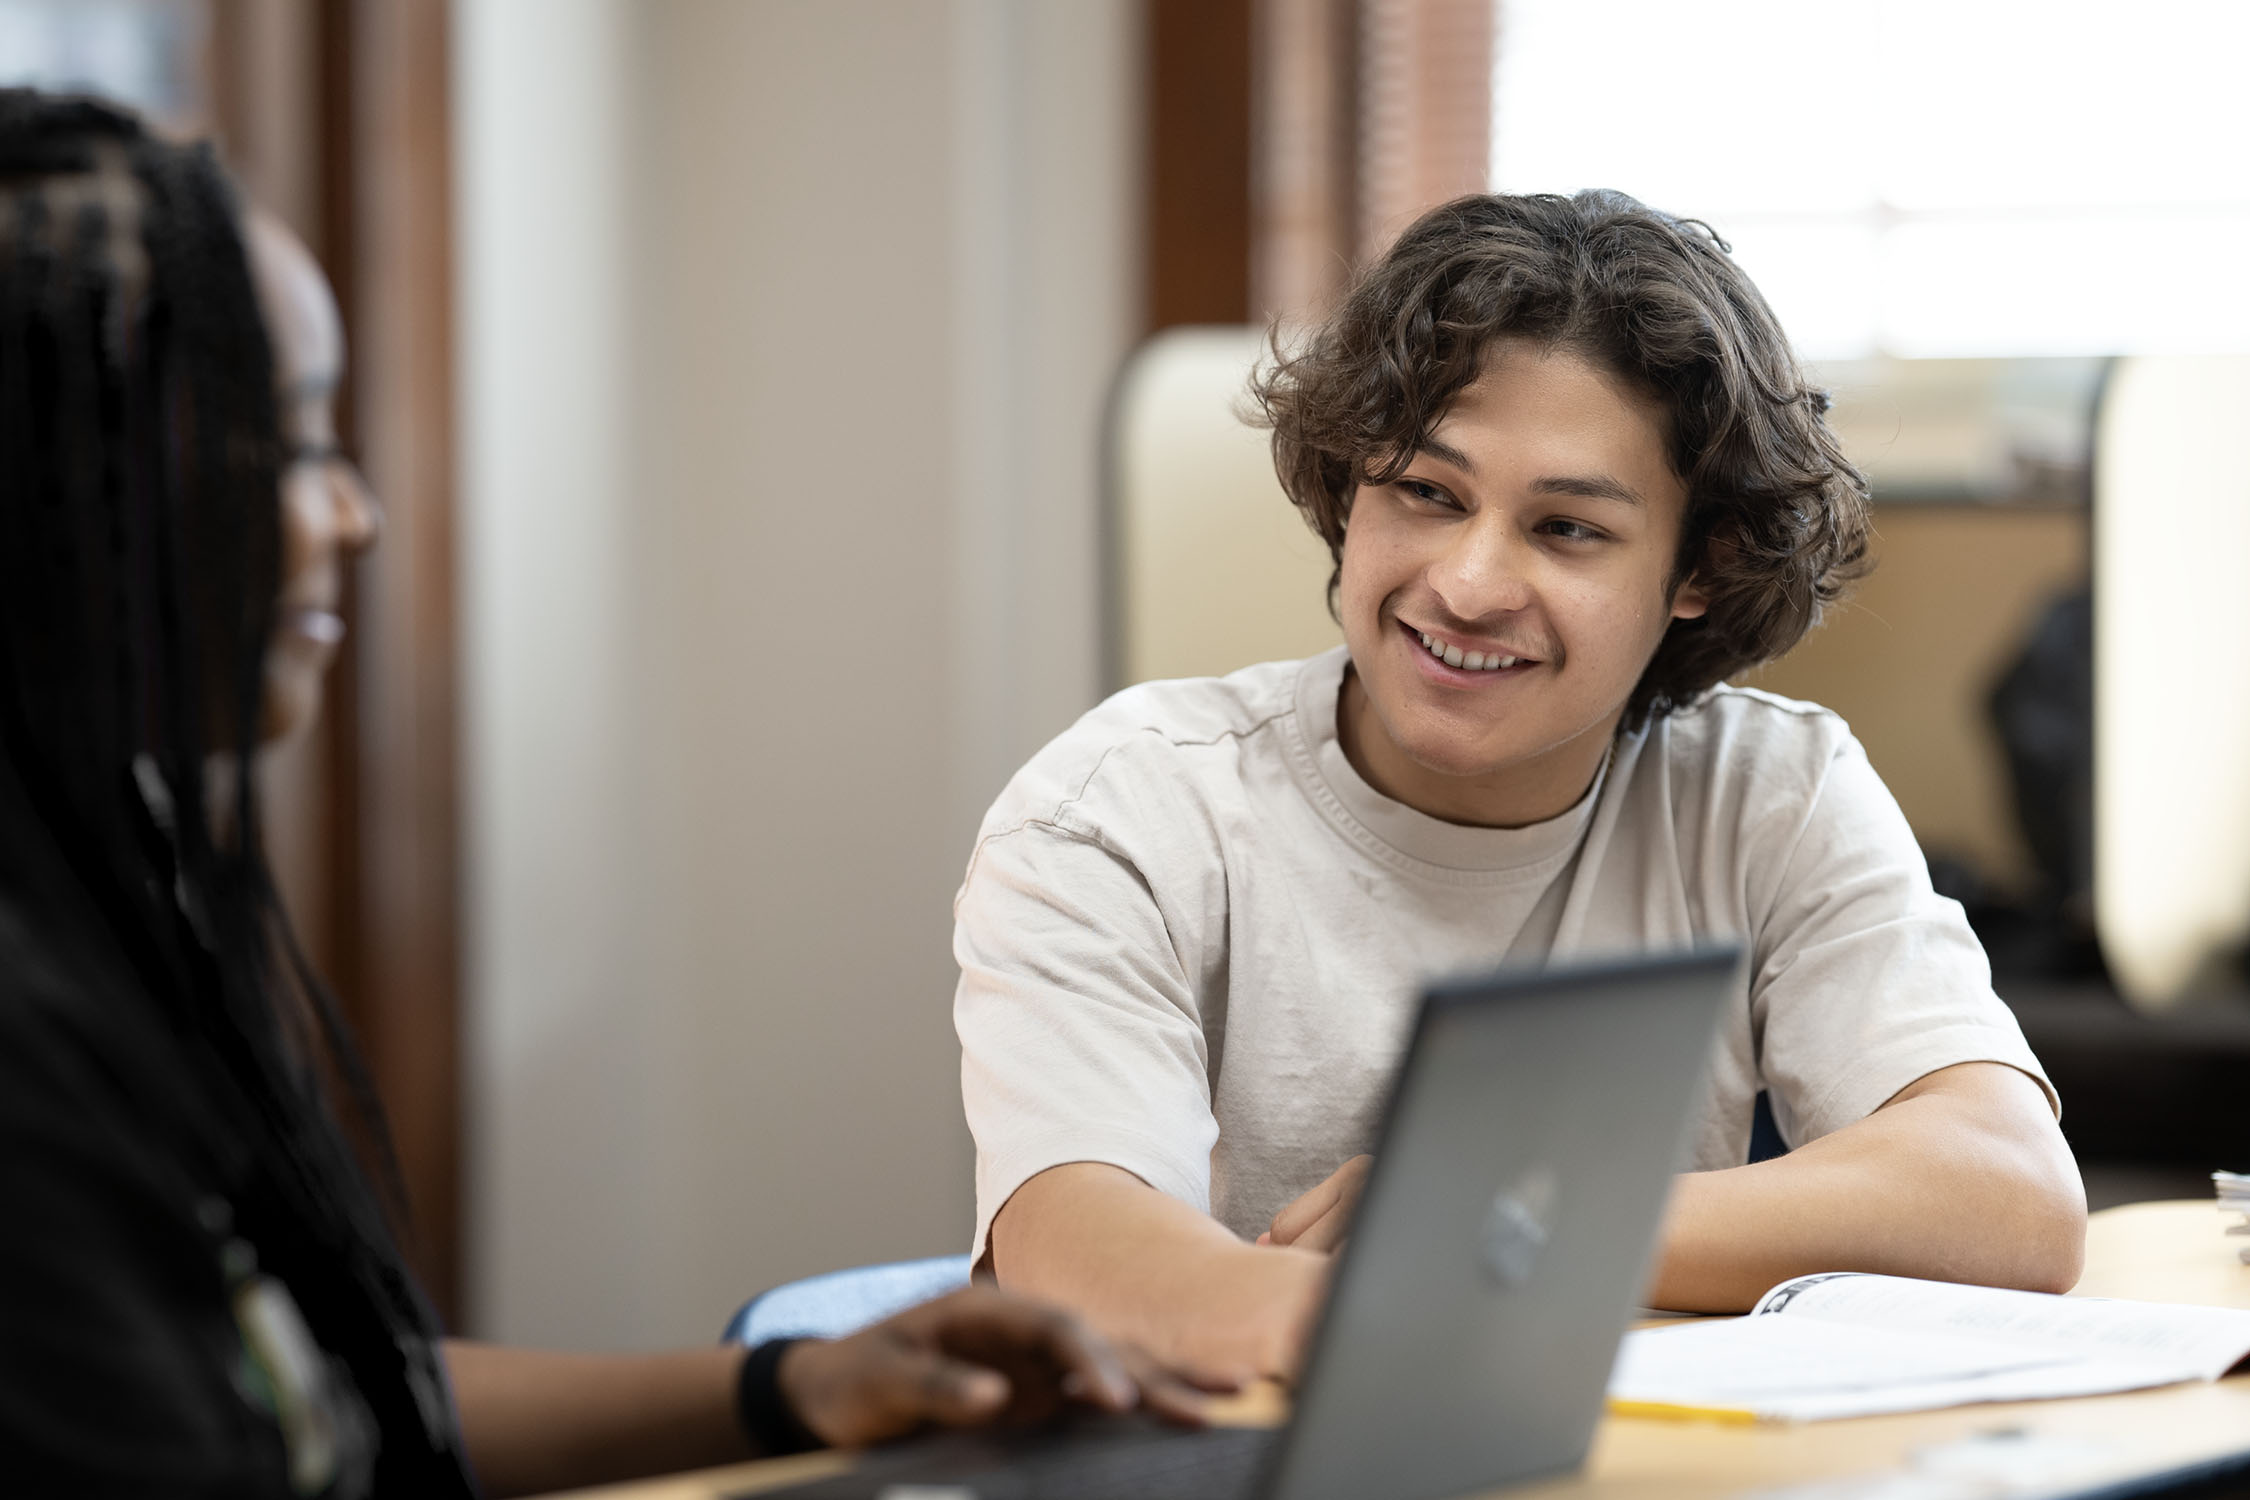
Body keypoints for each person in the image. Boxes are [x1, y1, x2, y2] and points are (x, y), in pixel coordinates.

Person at [0, 90, 1202, 1498]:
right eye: (299, 443)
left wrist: (796, 1386)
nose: (355, 514)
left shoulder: (93, 898)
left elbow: (324, 1396)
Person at [955, 191, 2087, 1382]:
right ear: (1350, 489)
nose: (1471, 583)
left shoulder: (1771, 793)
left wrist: (1498, 1220)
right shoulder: (1118, 811)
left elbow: (2008, 1193)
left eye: (1566, 529)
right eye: (1427, 494)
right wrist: (1413, 1289)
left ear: (1701, 567)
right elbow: (1081, 1253)